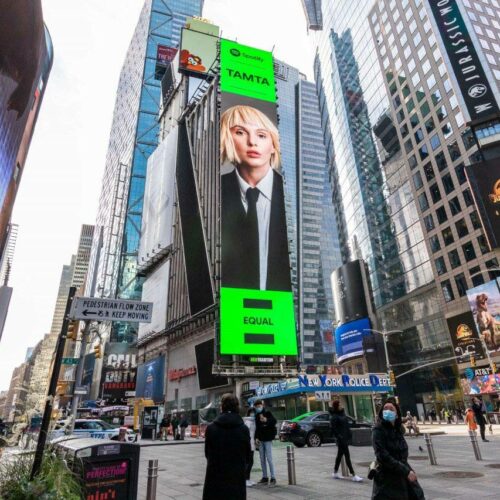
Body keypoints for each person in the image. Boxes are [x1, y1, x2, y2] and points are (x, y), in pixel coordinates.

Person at [220, 105, 292, 292]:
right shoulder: (215, 192)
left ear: (274, 145)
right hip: (231, 311)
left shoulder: (289, 192)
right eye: (241, 132)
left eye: (261, 135)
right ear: (228, 139)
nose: (252, 142)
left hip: (280, 313)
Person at [371, 400, 425, 500]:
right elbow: (382, 455)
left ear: (396, 415)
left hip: (402, 474)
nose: (387, 411)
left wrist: (407, 470)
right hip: (386, 477)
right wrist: (405, 471)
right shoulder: (378, 430)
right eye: (385, 409)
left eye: (391, 409)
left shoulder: (398, 430)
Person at [202, 393, 251, 500]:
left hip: (215, 478)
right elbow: (248, 456)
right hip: (236, 478)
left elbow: (207, 453)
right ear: (237, 407)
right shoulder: (243, 429)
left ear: (222, 407)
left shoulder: (211, 428)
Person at [329, 400, 363, 482]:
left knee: (340, 455)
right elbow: (333, 429)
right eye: (340, 404)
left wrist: (349, 434)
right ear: (336, 406)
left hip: (345, 437)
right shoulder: (334, 416)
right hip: (341, 439)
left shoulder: (342, 414)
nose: (341, 405)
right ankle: (354, 475)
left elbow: (346, 426)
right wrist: (339, 437)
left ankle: (335, 472)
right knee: (347, 456)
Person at [254, 399, 277, 486]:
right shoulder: (256, 416)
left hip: (267, 439)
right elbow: (257, 427)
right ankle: (265, 477)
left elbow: (274, 421)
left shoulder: (267, 413)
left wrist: (266, 420)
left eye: (259, 406)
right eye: (256, 407)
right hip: (260, 439)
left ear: (262, 405)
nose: (258, 408)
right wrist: (256, 437)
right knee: (262, 459)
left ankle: (273, 477)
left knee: (269, 458)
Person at [243, 407, 257, 487]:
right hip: (248, 445)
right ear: (248, 413)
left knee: (250, 462)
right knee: (248, 462)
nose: (253, 414)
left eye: (254, 412)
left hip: (252, 444)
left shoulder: (254, 421)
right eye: (251, 412)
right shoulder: (248, 421)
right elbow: (246, 433)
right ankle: (245, 479)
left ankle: (248, 478)